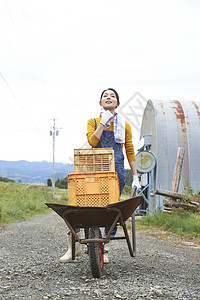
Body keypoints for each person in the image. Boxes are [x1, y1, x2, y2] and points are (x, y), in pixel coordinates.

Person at [86, 88, 141, 263]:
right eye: (105, 96)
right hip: (96, 168)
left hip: (116, 169)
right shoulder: (93, 122)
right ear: (100, 103)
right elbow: (92, 142)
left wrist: (136, 176)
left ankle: (106, 245)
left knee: (112, 207)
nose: (108, 98)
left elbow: (130, 150)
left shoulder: (124, 125)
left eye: (112, 96)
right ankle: (94, 242)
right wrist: (102, 123)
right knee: (94, 205)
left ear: (117, 102)